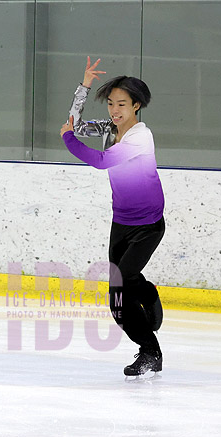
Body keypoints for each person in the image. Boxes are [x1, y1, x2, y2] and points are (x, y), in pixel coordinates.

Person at [59, 57, 165, 378]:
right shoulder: (110, 129)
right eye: (110, 104)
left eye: (122, 104)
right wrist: (85, 86)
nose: (115, 110)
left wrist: (68, 139)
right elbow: (74, 124)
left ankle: (150, 352)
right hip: (120, 223)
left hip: (147, 225)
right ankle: (145, 293)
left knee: (122, 286)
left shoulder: (139, 138)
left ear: (136, 106)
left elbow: (101, 160)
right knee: (117, 300)